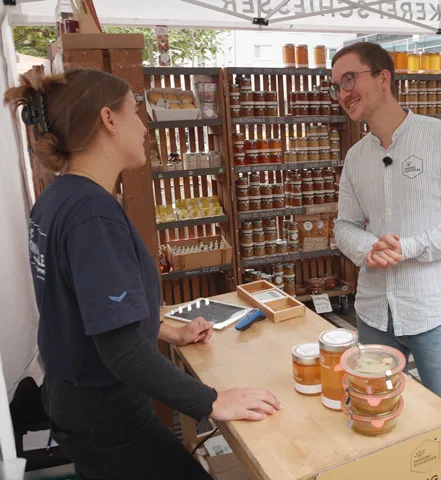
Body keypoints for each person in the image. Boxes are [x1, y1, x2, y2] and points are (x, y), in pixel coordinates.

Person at [4, 69, 282, 480]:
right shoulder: (92, 215)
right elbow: (123, 352)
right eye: (135, 113)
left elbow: (89, 312)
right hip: (106, 415)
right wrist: (211, 401)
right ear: (108, 120)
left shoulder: (58, 198)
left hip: (73, 401)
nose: (144, 126)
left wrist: (170, 331)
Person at [332, 43, 441, 480]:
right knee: (378, 427)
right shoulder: (356, 157)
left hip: (433, 311)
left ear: (383, 77)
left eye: (350, 79)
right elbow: (343, 226)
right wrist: (370, 248)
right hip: (373, 314)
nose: (343, 92)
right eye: (336, 86)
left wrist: (410, 246)